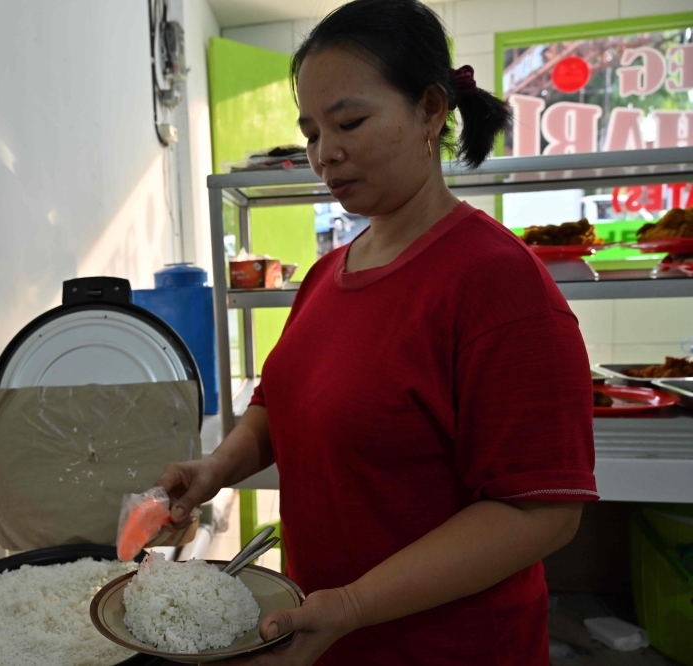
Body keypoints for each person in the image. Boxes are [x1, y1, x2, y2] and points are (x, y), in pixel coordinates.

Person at [154, 1, 597, 664]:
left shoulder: (499, 286)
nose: (325, 153)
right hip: (324, 636)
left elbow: (541, 512)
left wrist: (357, 603)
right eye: (310, 133)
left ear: (429, 111)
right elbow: (282, 405)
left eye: (350, 122)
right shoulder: (327, 274)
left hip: (450, 648)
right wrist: (217, 467)